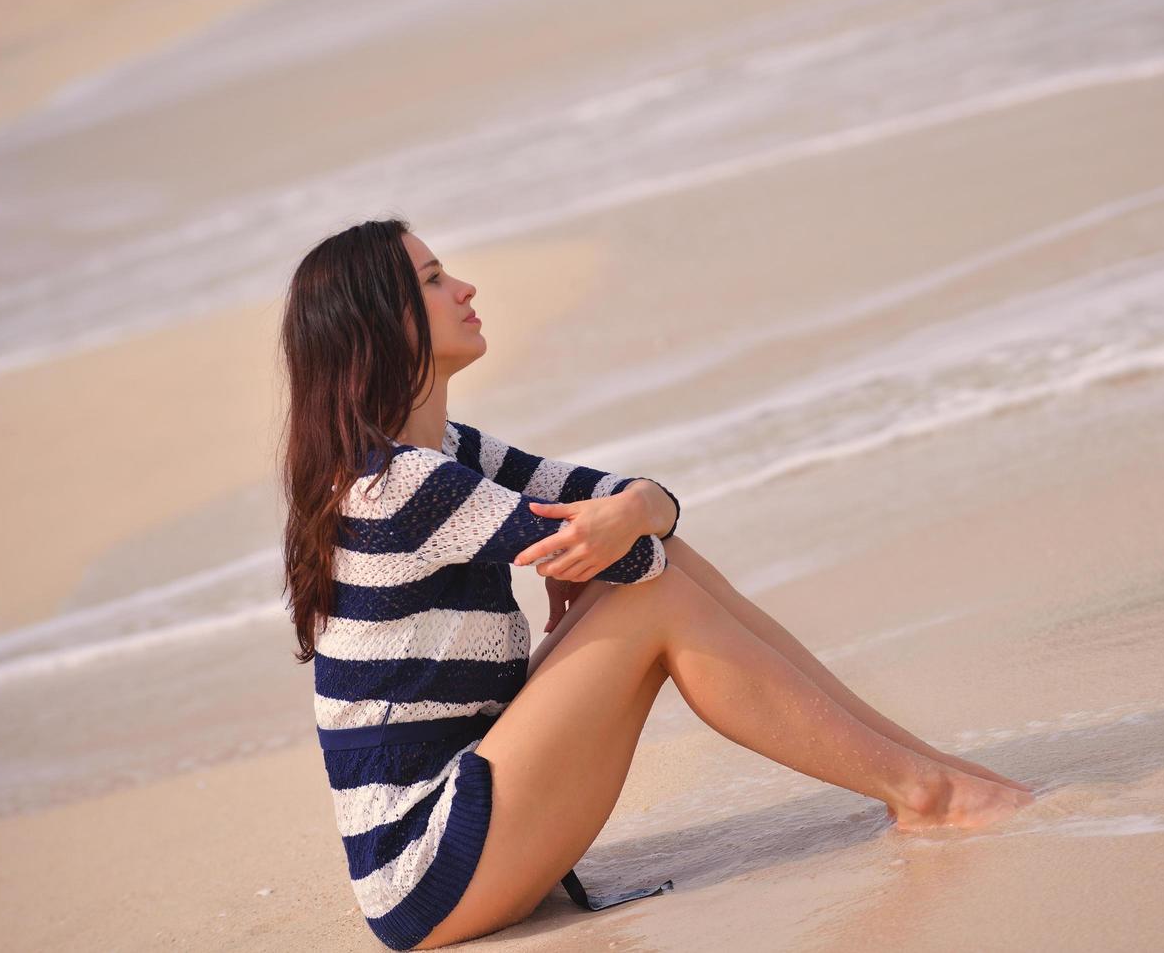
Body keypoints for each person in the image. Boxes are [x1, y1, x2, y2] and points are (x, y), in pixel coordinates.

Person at [278, 216, 1035, 951]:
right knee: (654, 595)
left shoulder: (451, 451)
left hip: (477, 819)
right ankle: (923, 790)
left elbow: (639, 508)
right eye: (436, 280)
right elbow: (641, 559)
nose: (467, 289)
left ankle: (922, 771)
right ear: (381, 324)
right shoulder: (402, 486)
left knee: (656, 574)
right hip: (426, 874)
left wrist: (635, 511)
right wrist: (633, 522)